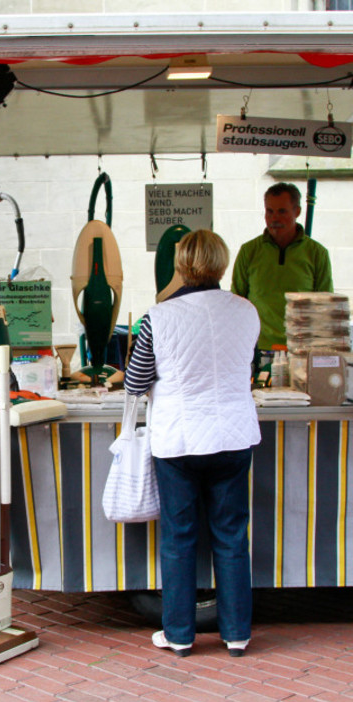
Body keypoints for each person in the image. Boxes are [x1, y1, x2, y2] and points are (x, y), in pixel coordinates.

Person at [125, 230, 260, 657]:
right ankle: (237, 633)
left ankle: (180, 635)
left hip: (179, 440)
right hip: (234, 435)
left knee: (179, 539)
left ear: (181, 264)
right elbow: (248, 367)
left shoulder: (157, 317)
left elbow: (135, 381)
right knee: (232, 536)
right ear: (222, 263)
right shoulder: (247, 311)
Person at [231, 181, 333, 350]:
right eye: (269, 212)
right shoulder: (249, 252)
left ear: (297, 212)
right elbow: (237, 302)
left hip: (302, 350)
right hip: (256, 349)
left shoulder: (317, 254)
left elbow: (325, 307)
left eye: (282, 211)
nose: (274, 218)